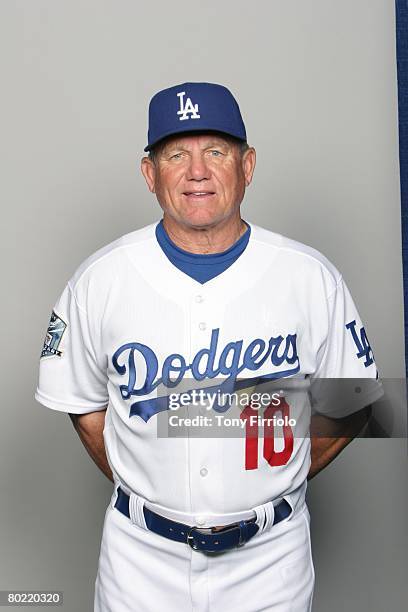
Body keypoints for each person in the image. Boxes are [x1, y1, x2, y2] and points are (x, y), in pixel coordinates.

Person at [35, 82, 383, 612]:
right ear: (150, 174)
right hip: (139, 563)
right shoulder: (100, 279)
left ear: (247, 166)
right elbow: (82, 404)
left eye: (216, 152)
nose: (197, 171)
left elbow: (354, 403)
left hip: (271, 563)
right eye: (177, 154)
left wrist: (272, 480)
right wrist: (152, 482)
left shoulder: (309, 277)